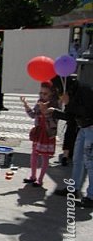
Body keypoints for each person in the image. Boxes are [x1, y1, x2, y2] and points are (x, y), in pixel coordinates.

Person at [46, 77, 93, 207]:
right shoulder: (72, 94)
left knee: (90, 162)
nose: (60, 97)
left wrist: (70, 102)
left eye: (60, 93)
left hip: (91, 128)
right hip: (83, 128)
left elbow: (86, 111)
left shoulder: (84, 90)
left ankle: (91, 197)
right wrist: (56, 112)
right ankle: (73, 189)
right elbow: (71, 117)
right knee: (77, 159)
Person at [20, 82, 59, 187]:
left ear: (52, 93)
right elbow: (33, 115)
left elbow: (54, 122)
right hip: (38, 132)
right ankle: (33, 176)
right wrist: (26, 105)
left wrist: (45, 111)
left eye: (45, 94)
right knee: (34, 154)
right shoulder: (39, 102)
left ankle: (40, 180)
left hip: (47, 133)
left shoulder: (55, 104)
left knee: (45, 157)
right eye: (41, 93)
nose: (42, 95)